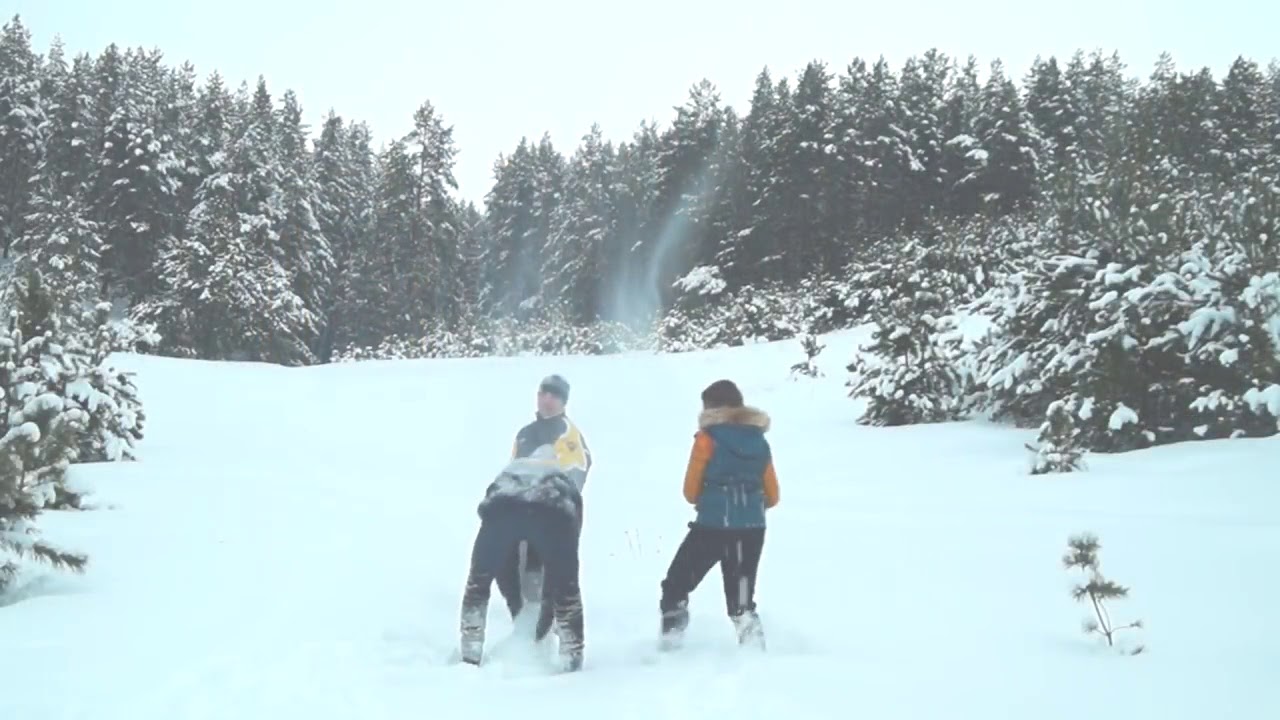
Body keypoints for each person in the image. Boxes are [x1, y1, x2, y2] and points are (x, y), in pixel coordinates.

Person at [658, 379, 780, 650]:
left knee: (676, 586)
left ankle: (670, 646)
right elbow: (773, 495)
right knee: (742, 602)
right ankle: (755, 656)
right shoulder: (759, 440)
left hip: (713, 526)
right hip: (751, 529)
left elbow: (690, 491)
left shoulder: (706, 439)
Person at [459, 444, 585, 671]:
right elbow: (564, 556)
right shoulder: (564, 482)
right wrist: (546, 618)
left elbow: (503, 564)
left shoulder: (510, 473)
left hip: (502, 508)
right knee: (568, 592)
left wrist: (516, 605)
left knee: (478, 584)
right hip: (553, 509)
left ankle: (470, 655)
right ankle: (571, 661)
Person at [498, 374, 592, 620]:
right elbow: (514, 469)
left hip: (554, 515)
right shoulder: (525, 434)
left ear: (564, 402)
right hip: (522, 512)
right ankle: (524, 620)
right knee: (510, 567)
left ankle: (547, 627)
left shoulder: (568, 434)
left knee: (545, 573)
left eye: (555, 396)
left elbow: (577, 473)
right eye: (544, 394)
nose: (548, 400)